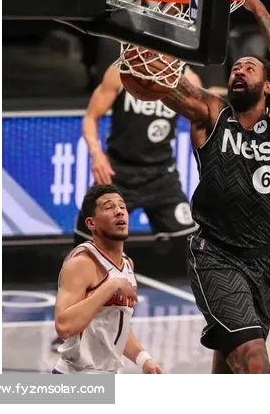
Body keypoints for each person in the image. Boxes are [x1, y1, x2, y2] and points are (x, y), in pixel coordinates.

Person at [152, 0, 270, 374]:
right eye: (235, 67)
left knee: (229, 364)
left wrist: (257, 7)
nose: (239, 69)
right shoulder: (211, 113)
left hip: (264, 262)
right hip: (215, 254)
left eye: (250, 67)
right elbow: (155, 77)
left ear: (268, 86)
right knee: (254, 363)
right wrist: (169, 8)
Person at [50, 61, 201, 352]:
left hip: (161, 175)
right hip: (119, 173)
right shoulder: (122, 71)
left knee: (199, 245)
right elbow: (91, 117)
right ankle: (70, 327)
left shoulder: (186, 77)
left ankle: (220, 318)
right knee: (85, 248)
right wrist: (97, 154)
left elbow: (202, 120)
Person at [53, 184, 164, 374]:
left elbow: (112, 328)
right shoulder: (82, 263)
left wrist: (144, 359)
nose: (119, 211)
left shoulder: (127, 264)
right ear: (91, 223)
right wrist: (110, 286)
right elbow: (64, 326)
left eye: (122, 206)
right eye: (109, 207)